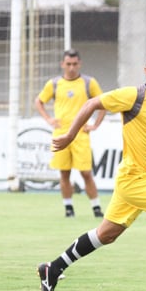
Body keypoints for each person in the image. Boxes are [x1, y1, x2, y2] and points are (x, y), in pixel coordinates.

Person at [36, 51, 146, 291]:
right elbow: (91, 104)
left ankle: (54, 267)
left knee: (107, 234)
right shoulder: (133, 95)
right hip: (135, 178)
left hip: (138, 180)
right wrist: (71, 135)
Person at [34, 49, 106, 218]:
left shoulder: (89, 82)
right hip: (61, 133)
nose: (72, 67)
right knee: (64, 172)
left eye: (74, 64)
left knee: (86, 172)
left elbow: (103, 103)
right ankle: (68, 208)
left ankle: (96, 208)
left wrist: (95, 124)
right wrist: (49, 120)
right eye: (68, 64)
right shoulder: (54, 83)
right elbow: (39, 101)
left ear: (79, 64)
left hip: (80, 134)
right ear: (62, 64)